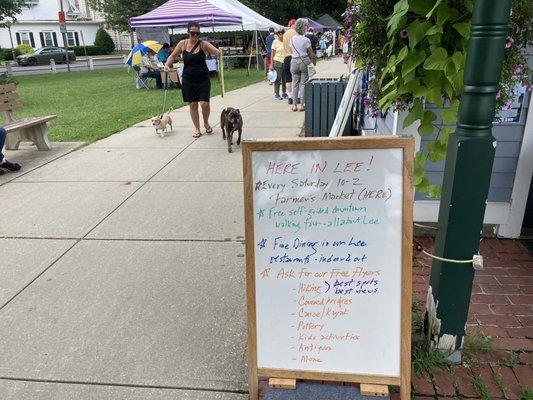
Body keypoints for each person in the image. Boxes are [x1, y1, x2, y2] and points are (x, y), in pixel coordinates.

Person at [165, 21, 221, 138]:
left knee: (204, 103)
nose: (195, 35)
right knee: (193, 104)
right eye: (192, 33)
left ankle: (206, 122)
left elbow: (216, 52)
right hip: (188, 79)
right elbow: (173, 56)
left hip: (203, 78)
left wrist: (220, 52)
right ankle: (197, 128)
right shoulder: (182, 43)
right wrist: (167, 65)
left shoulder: (203, 44)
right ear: (188, 32)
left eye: (197, 33)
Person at [289, 18, 314, 112]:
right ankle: (302, 105)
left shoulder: (292, 39)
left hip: (294, 61)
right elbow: (311, 53)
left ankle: (294, 105)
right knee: (303, 84)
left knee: (295, 83)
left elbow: (292, 51)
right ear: (303, 27)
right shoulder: (306, 40)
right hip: (304, 61)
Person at [282, 19, 297, 105]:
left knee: (288, 79)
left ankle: (290, 97)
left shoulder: (285, 34)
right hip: (294, 57)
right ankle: (297, 97)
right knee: (296, 78)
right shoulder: (296, 33)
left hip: (286, 57)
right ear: (294, 24)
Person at [270, 29, 287, 100]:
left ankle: (284, 92)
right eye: (279, 34)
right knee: (278, 78)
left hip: (285, 61)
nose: (281, 35)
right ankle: (277, 94)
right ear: (278, 35)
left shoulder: (286, 42)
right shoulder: (275, 42)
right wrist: (271, 64)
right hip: (277, 61)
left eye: (282, 33)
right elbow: (272, 54)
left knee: (285, 79)